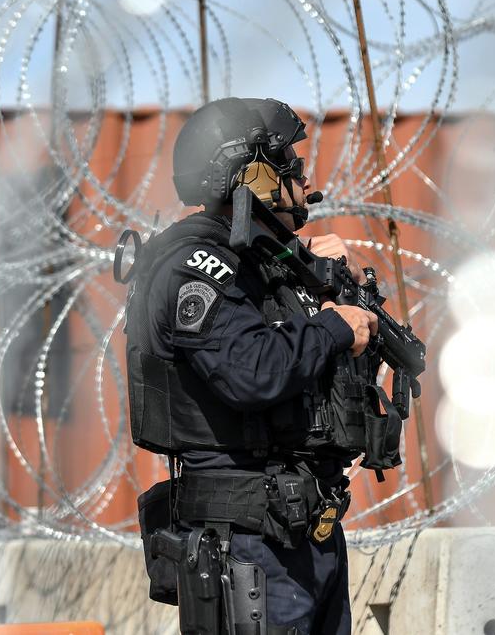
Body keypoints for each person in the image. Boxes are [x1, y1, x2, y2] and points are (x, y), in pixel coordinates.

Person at [126, 97, 393, 635]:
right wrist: (334, 326)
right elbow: (252, 370)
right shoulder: (195, 266)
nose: (301, 176)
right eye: (287, 162)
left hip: (299, 529)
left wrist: (306, 276)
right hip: (249, 540)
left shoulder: (257, 264)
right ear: (250, 175)